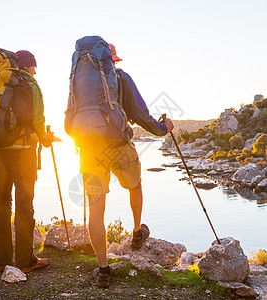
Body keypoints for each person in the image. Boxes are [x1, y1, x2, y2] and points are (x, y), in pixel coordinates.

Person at [82, 43, 174, 287]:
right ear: (112, 60)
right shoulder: (121, 78)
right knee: (135, 185)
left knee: (95, 208)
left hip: (89, 150)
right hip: (120, 145)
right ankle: (136, 232)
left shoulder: (80, 82)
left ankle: (103, 269)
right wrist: (164, 129)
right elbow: (141, 115)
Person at [0, 50, 53, 273]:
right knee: (24, 206)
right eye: (34, 66)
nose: (35, 70)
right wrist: (46, 138)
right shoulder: (30, 85)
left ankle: (1, 261)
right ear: (27, 66)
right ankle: (25, 261)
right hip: (23, 153)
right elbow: (38, 121)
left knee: (0, 205)